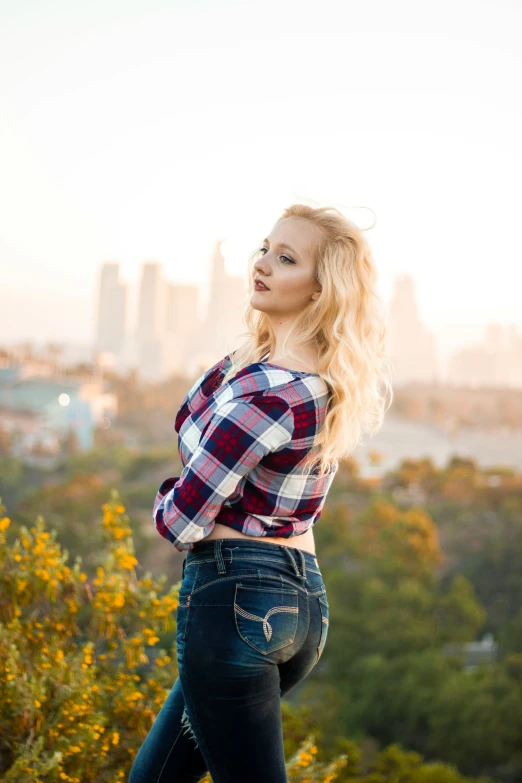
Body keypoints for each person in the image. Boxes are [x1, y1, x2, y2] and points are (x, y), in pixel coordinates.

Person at [128, 203, 393, 783]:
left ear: (321, 289)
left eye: (287, 258)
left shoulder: (267, 396)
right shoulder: (313, 381)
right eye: (266, 249)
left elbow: (182, 522)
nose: (264, 264)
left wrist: (166, 497)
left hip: (235, 602)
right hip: (302, 607)